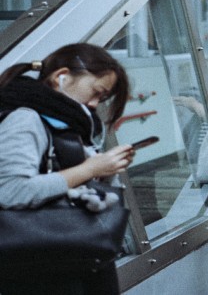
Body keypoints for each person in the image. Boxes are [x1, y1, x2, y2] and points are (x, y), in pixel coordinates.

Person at [0, 43, 132, 294]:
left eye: (102, 99)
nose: (94, 104)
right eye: (96, 92)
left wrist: (105, 171)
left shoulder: (63, 121)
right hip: (38, 268)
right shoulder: (25, 118)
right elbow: (10, 191)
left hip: (66, 259)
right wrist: (90, 169)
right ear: (62, 77)